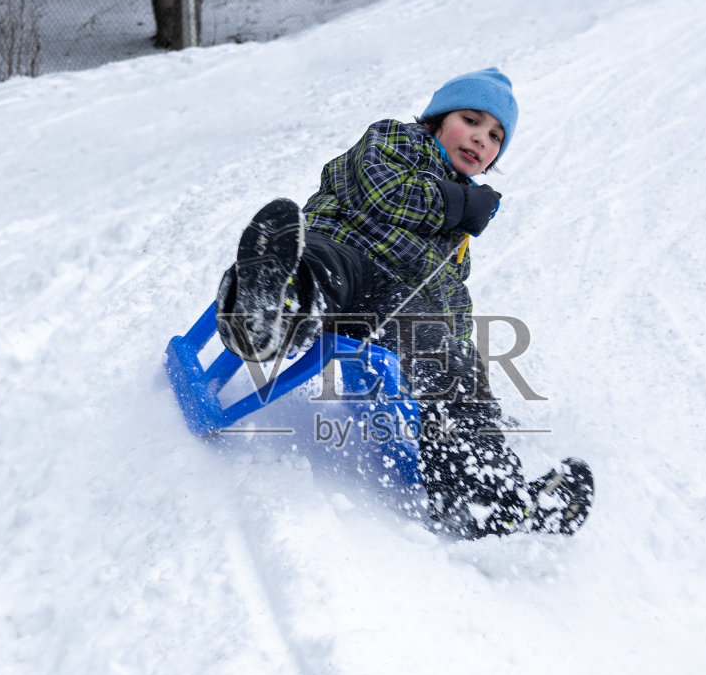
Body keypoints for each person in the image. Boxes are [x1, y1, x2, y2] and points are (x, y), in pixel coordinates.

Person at [213, 68, 592, 539]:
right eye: (470, 120)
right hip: (347, 257)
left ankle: (489, 498)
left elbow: (452, 299)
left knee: (449, 357)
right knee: (327, 262)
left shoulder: (458, 233)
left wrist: (462, 363)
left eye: (495, 136)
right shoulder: (397, 139)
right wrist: (456, 203)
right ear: (435, 119)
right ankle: (273, 303)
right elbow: (382, 194)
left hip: (392, 311)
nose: (480, 139)